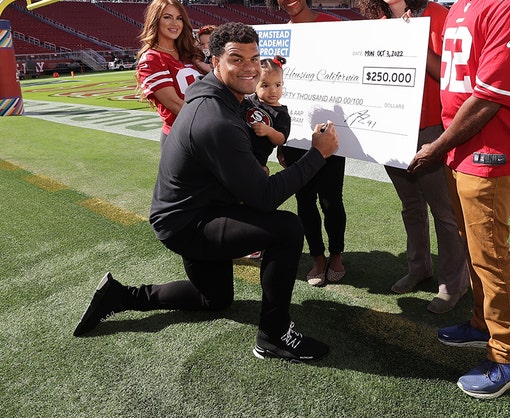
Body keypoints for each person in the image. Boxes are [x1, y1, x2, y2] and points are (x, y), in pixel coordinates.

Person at [74, 22, 339, 364]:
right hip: (188, 222)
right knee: (287, 229)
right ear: (214, 61)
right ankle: (273, 336)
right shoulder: (216, 118)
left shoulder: (214, 92)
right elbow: (264, 198)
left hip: (189, 210)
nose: (249, 67)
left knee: (213, 298)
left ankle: (121, 296)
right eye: (236, 58)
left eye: (254, 58)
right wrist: (318, 154)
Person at [408, 0, 510, 399]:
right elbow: (455, 78)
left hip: (492, 149)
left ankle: (509, 356)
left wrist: (437, 145)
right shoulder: (463, 3)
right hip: (462, 150)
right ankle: (482, 323)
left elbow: (488, 99)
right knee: (471, 247)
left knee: (489, 255)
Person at [356, 0, 469, 314]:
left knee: (444, 210)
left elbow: (449, 74)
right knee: (410, 206)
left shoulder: (436, 16)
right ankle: (418, 267)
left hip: (430, 126)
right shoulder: (375, 24)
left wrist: (413, 43)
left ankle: (454, 281)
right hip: (391, 128)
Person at [260, 0, 347, 287]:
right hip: (294, 135)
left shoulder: (331, 26)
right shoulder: (277, 38)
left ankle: (337, 254)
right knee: (304, 200)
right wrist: (278, 138)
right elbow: (273, 92)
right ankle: (318, 257)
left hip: (328, 131)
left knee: (331, 199)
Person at [135, 0, 205, 145]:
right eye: (167, 17)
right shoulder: (151, 59)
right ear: (155, 20)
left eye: (179, 18)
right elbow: (176, 105)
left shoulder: (188, 52)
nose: (175, 23)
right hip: (181, 135)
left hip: (202, 129)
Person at [244, 55, 291, 173]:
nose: (273, 90)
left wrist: (269, 131)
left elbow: (281, 139)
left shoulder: (281, 114)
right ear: (254, 84)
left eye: (277, 85)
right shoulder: (249, 100)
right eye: (265, 85)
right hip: (238, 150)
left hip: (257, 160)